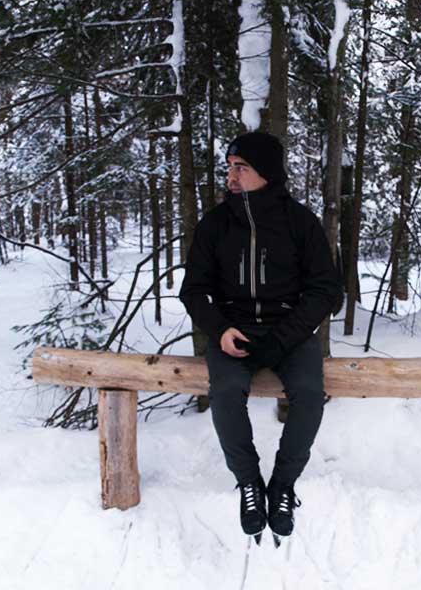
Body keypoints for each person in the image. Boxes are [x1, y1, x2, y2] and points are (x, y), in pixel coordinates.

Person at [179, 131, 341, 546]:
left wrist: (284, 339)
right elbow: (193, 289)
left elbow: (325, 290)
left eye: (241, 167)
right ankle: (249, 483)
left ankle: (283, 486)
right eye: (230, 166)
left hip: (291, 330)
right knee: (227, 391)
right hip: (234, 331)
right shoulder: (215, 224)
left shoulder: (299, 222)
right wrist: (219, 329)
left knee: (308, 392)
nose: (231, 175)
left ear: (264, 173)